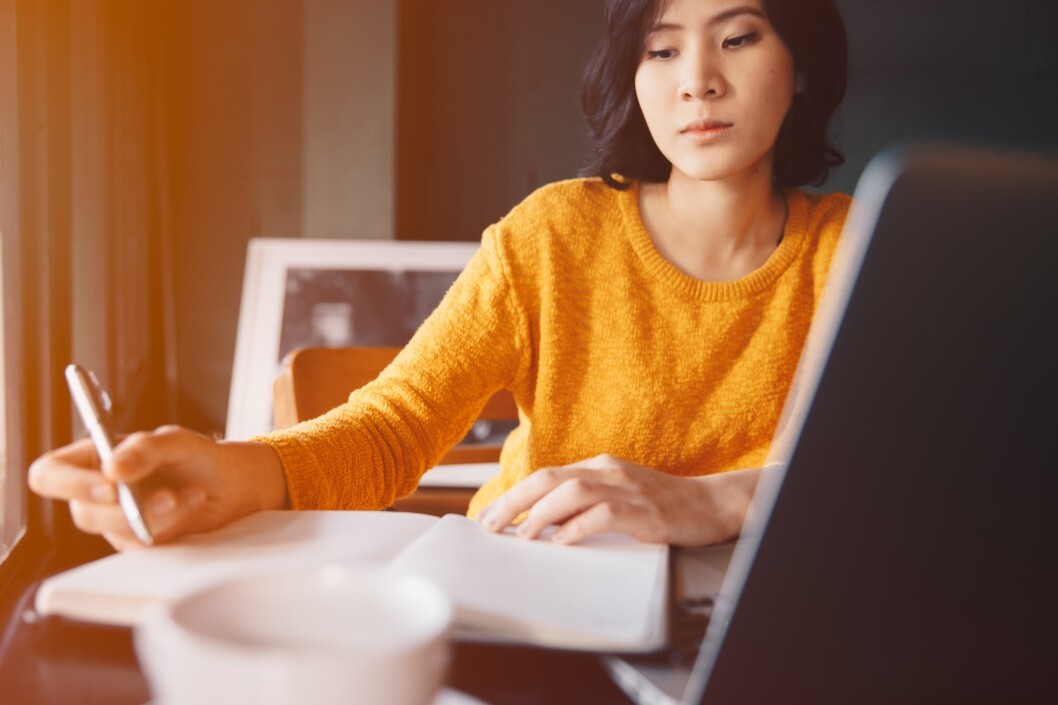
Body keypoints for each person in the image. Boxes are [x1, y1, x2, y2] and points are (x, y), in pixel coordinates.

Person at [29, 0, 850, 552]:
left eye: (738, 38)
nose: (695, 79)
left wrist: (712, 501)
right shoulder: (554, 234)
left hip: (765, 620)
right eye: (661, 48)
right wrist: (231, 472)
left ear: (803, 63)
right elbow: (393, 429)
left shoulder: (857, 248)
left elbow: (921, 476)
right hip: (539, 591)